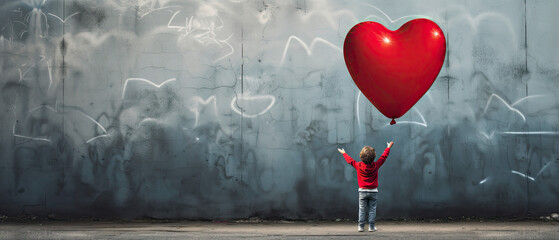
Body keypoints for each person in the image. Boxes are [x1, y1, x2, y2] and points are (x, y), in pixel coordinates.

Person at [338, 141, 393, 232]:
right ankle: (371, 227)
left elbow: (350, 161)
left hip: (362, 191)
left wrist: (344, 153)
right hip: (373, 191)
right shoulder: (376, 165)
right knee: (372, 209)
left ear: (361, 157)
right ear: (373, 157)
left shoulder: (358, 165)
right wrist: (388, 147)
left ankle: (361, 226)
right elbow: (383, 157)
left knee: (362, 209)